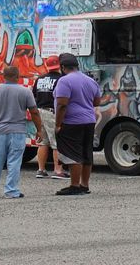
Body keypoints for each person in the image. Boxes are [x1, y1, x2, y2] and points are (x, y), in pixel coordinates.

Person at [0, 65, 46, 199]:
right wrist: (39, 130)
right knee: (14, 161)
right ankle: (11, 191)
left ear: (3, 76)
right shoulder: (25, 92)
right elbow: (34, 112)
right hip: (18, 131)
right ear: (18, 76)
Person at [53, 53, 99, 196]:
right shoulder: (90, 81)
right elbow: (97, 102)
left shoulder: (64, 81)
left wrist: (58, 124)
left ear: (62, 67)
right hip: (89, 121)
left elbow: (61, 104)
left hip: (72, 122)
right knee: (86, 153)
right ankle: (84, 185)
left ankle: (74, 185)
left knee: (74, 154)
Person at [31, 55, 67, 179]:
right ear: (59, 66)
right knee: (57, 142)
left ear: (47, 66)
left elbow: (34, 95)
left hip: (40, 112)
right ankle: (58, 170)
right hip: (52, 112)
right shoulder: (61, 80)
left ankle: (41, 169)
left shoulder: (40, 79)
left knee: (43, 142)